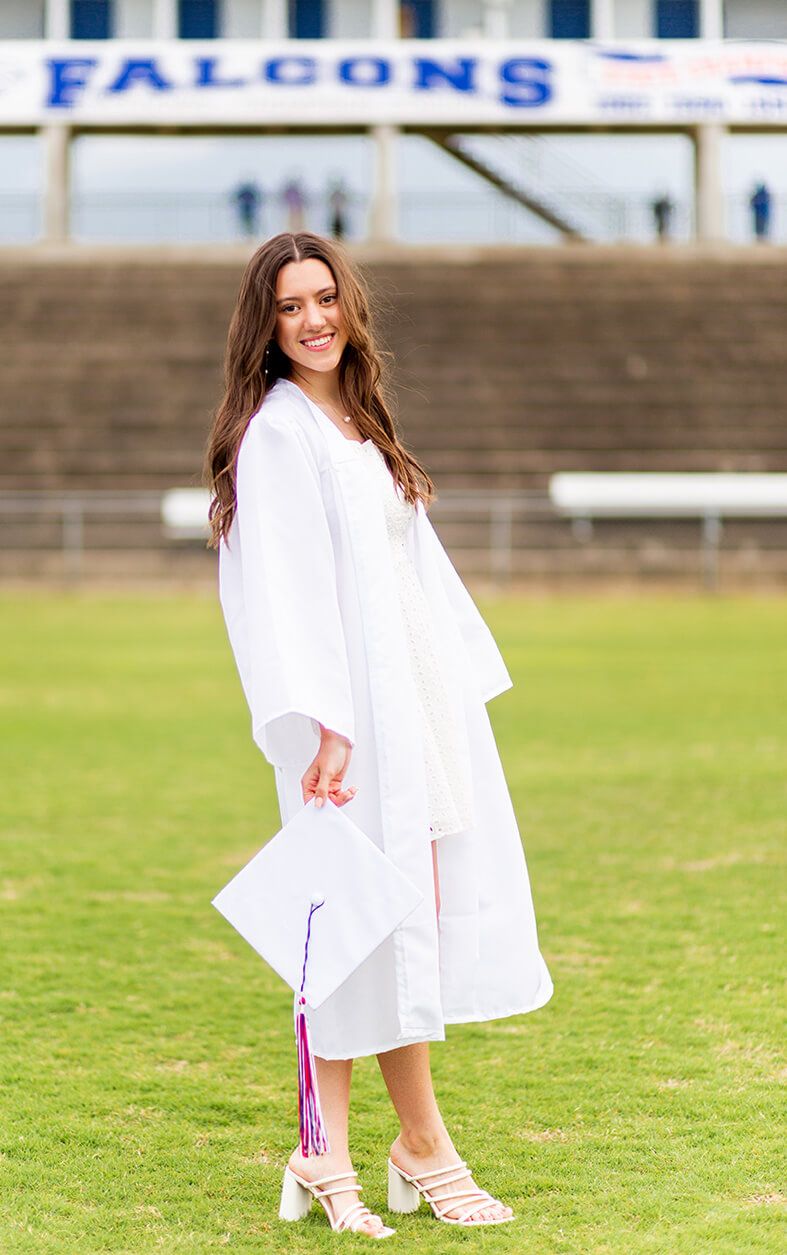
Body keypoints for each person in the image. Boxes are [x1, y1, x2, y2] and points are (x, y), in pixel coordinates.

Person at [203, 232, 553, 1237]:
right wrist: (325, 722)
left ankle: (351, 1149)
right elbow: (284, 592)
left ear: (348, 307)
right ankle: (388, 1146)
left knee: (393, 929)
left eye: (325, 298)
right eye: (289, 306)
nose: (313, 319)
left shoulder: (354, 418)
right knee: (345, 929)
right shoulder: (278, 433)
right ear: (264, 325)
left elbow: (411, 572)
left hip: (412, 709)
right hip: (347, 726)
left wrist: (451, 695)